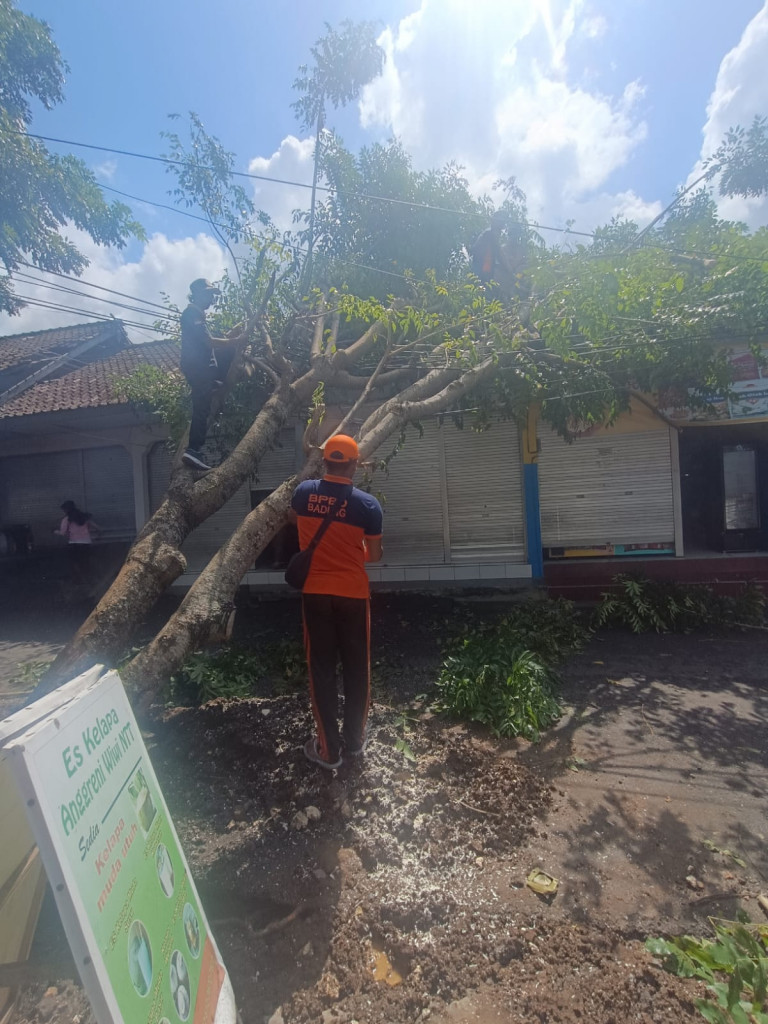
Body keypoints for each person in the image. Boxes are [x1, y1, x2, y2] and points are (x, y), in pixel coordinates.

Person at [289, 434, 383, 770]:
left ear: (325, 461)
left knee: (322, 669)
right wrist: (352, 550)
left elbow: (296, 521)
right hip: (353, 596)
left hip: (315, 594)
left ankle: (329, 751)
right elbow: (373, 556)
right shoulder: (368, 506)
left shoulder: (303, 493)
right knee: (357, 669)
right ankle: (354, 742)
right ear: (354, 465)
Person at [179, 278, 243, 472]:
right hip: (198, 369)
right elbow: (209, 342)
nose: (212, 299)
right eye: (209, 295)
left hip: (203, 368)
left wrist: (231, 338)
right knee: (202, 409)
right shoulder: (191, 314)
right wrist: (234, 340)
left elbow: (210, 345)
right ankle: (193, 450)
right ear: (198, 295)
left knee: (228, 350)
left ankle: (216, 381)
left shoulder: (198, 315)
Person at [54, 500, 101, 583]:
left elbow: (62, 533)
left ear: (66, 510)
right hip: (86, 543)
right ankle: (88, 579)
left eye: (64, 510)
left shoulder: (66, 519)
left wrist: (54, 531)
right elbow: (98, 528)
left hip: (74, 544)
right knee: (85, 562)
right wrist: (96, 537)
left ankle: (78, 580)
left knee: (74, 563)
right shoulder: (85, 517)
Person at [470, 211, 507, 284]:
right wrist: (509, 270)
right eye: (500, 221)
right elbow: (500, 254)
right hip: (481, 270)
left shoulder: (491, 234)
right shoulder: (488, 233)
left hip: (486, 270)